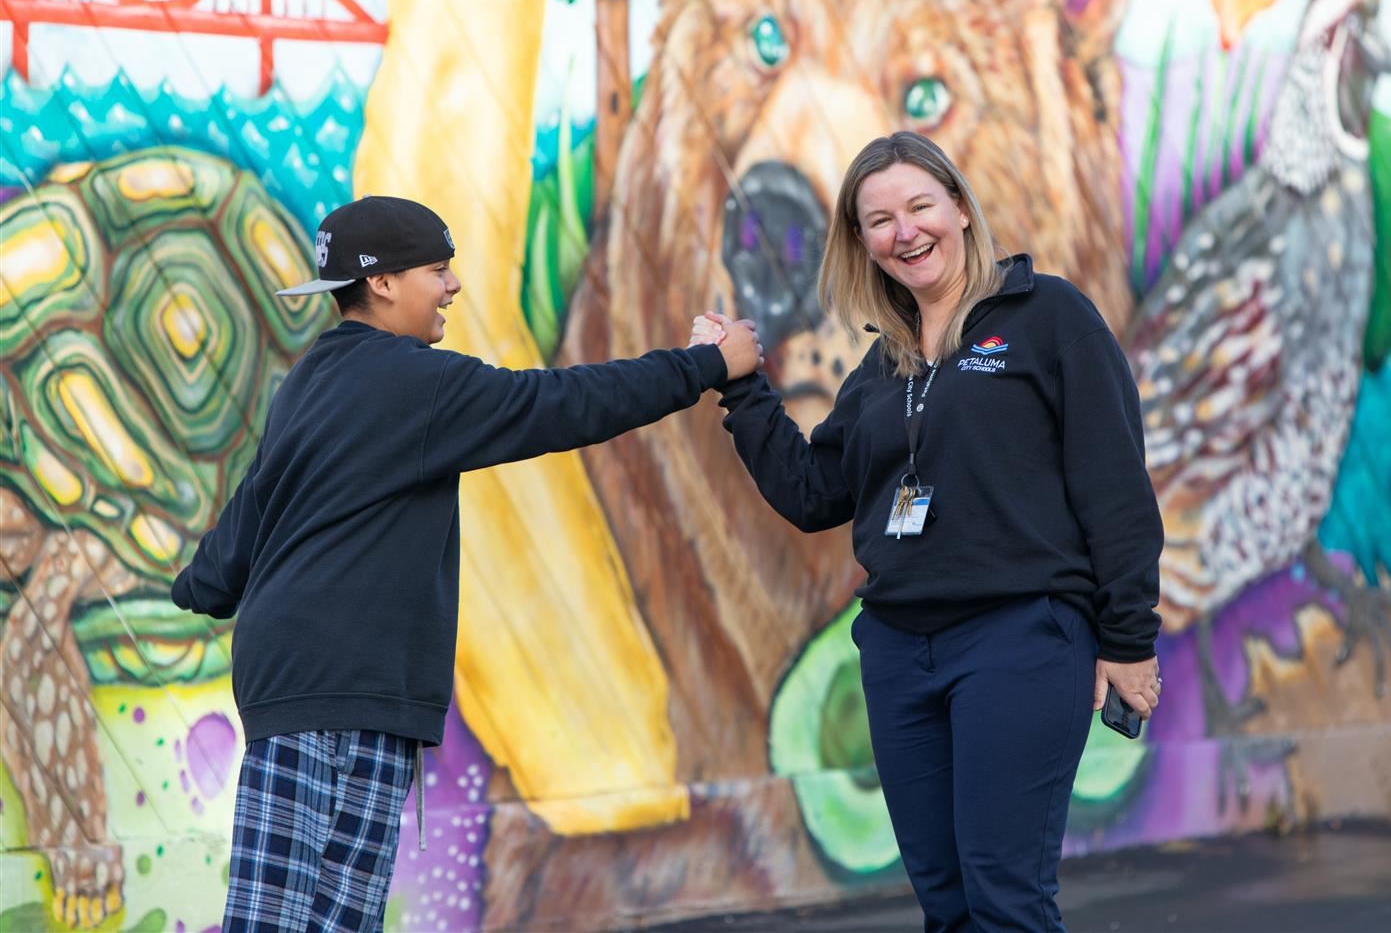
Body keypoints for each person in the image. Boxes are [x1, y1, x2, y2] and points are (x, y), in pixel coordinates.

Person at [171, 195, 759, 931]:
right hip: (342, 689)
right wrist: (707, 363)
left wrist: (196, 586)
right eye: (437, 270)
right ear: (382, 283)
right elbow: (567, 403)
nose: (452, 286)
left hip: (303, 687)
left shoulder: (304, 385)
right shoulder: (420, 384)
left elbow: (235, 544)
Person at [693, 132, 1163, 931]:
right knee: (946, 906)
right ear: (862, 245)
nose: (904, 232)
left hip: (1020, 640)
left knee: (1003, 898)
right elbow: (814, 493)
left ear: (960, 209)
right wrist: (744, 393)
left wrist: (1127, 638)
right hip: (902, 654)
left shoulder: (1048, 319)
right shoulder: (884, 370)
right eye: (879, 220)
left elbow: (1115, 485)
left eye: (919, 207)